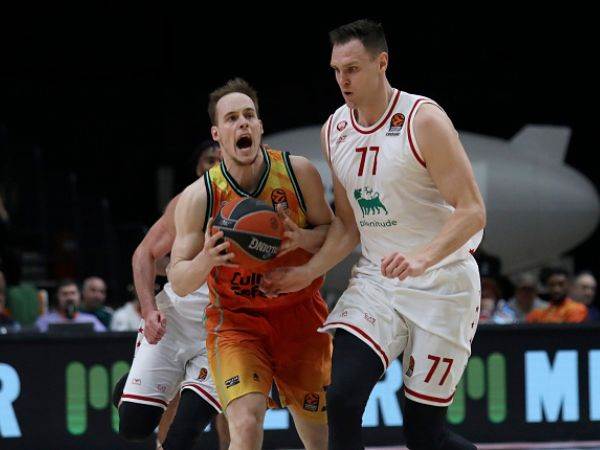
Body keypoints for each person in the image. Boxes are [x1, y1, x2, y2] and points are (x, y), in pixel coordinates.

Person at [262, 19, 485, 450]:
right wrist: (306, 272)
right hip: (378, 282)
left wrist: (423, 257)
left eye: (353, 68)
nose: (342, 80)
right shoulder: (335, 131)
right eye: (336, 70)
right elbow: (348, 225)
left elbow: (473, 211)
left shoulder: (424, 120)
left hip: (443, 285)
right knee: (341, 398)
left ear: (381, 63)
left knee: (425, 437)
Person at [168, 78, 333, 450]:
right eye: (232, 119)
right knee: (245, 421)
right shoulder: (200, 197)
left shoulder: (298, 172)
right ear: (217, 133)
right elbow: (178, 279)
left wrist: (301, 238)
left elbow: (332, 232)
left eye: (249, 116)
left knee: (317, 437)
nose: (242, 124)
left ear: (259, 127)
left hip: (301, 316)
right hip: (237, 323)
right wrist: (207, 259)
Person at [114, 140, 231, 450]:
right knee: (134, 426)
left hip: (222, 330)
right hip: (176, 320)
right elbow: (144, 255)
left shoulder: (258, 203)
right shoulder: (187, 202)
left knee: (187, 432)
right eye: (209, 160)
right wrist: (150, 309)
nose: (217, 164)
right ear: (198, 169)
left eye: (224, 157)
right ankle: (128, 389)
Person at [35, 280, 106, 332]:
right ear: (57, 297)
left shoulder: (90, 320)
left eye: (73, 293)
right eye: (65, 294)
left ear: (79, 296)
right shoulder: (45, 321)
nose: (69, 298)